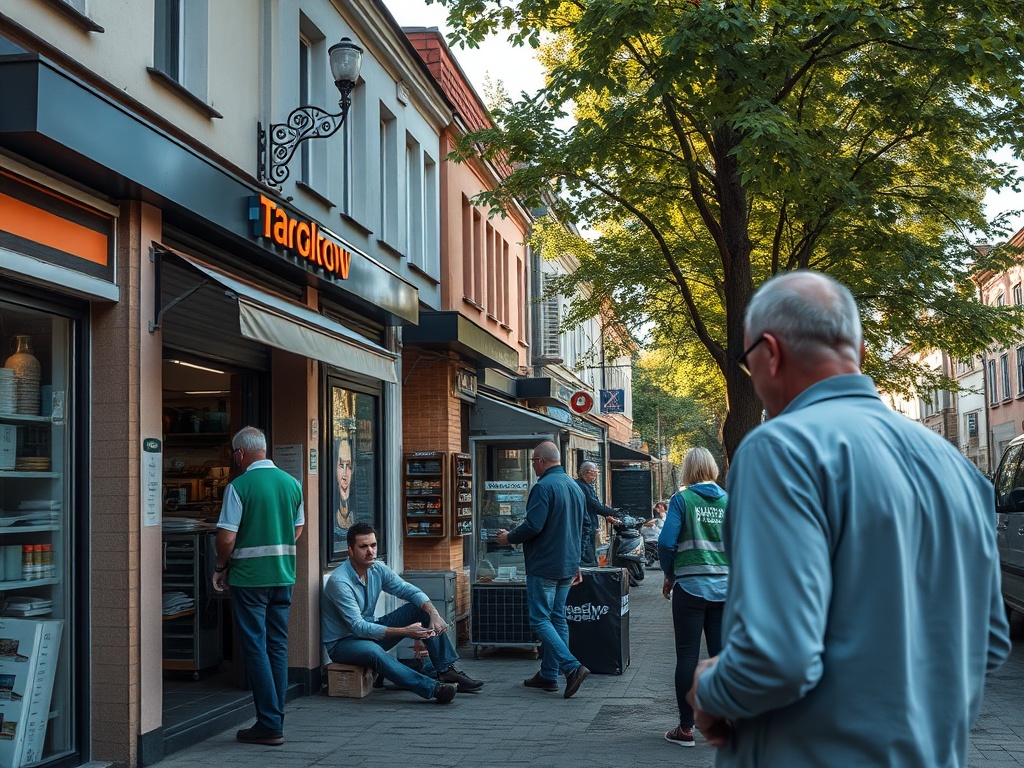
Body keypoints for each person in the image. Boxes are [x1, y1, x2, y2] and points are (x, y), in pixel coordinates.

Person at [686, 271, 1011, 765]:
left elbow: (776, 659)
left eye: (747, 363)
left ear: (769, 353)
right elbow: (989, 642)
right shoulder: (959, 470)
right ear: (857, 349)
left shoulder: (781, 450)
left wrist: (711, 690)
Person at [212, 427, 304, 747]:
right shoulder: (292, 484)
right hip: (283, 576)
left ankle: (268, 723)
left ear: (240, 453)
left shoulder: (239, 486)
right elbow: (298, 527)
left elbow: (226, 538)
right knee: (277, 646)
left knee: (255, 647)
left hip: (250, 578)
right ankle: (275, 719)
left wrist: (221, 566)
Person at [321, 523, 483, 704]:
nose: (370, 552)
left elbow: (408, 590)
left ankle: (446, 671)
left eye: (373, 545)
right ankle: (433, 688)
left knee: (418, 608)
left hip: (370, 631)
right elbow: (358, 627)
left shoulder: (377, 568)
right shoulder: (340, 582)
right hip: (344, 644)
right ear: (350, 550)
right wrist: (406, 631)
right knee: (374, 651)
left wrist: (434, 613)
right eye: (363, 547)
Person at [494, 441, 590, 698]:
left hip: (545, 564)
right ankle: (548, 674)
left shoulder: (543, 487)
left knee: (540, 619)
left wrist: (508, 537)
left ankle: (571, 667)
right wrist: (577, 562)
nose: (533, 467)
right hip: (567, 564)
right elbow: (584, 528)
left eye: (533, 462)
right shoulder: (575, 486)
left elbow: (533, 526)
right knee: (557, 618)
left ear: (540, 461)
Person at [658, 448, 728, 748]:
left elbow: (665, 542)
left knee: (687, 656)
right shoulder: (729, 501)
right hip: (725, 589)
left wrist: (670, 573)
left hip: (690, 587)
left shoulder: (682, 500)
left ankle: (686, 729)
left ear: (687, 470)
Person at [574, 461, 620, 566]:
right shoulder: (582, 486)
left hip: (588, 525)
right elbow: (594, 505)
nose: (595, 476)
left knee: (590, 556)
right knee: (588, 559)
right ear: (588, 472)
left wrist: (609, 516)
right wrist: (614, 512)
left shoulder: (585, 486)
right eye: (595, 473)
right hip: (585, 527)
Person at [333, 436, 354, 541]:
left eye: (349, 466)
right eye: (341, 466)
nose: (344, 475)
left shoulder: (355, 513)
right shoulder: (331, 515)